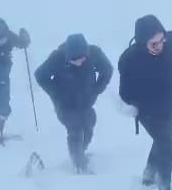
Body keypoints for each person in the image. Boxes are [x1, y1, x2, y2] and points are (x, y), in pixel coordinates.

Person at [118, 15, 172, 190]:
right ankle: (163, 185)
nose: (159, 45)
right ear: (142, 43)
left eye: (161, 39)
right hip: (148, 113)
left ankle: (149, 172)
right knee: (169, 146)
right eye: (153, 43)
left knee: (161, 140)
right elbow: (126, 94)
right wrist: (144, 105)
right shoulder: (129, 60)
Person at [35, 33, 113, 173]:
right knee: (75, 129)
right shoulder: (57, 57)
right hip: (65, 104)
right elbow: (40, 75)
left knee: (88, 127)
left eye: (82, 58)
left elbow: (107, 70)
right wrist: (56, 93)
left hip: (85, 101)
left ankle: (80, 152)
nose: (79, 62)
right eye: (74, 60)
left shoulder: (94, 53)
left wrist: (97, 89)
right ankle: (79, 164)